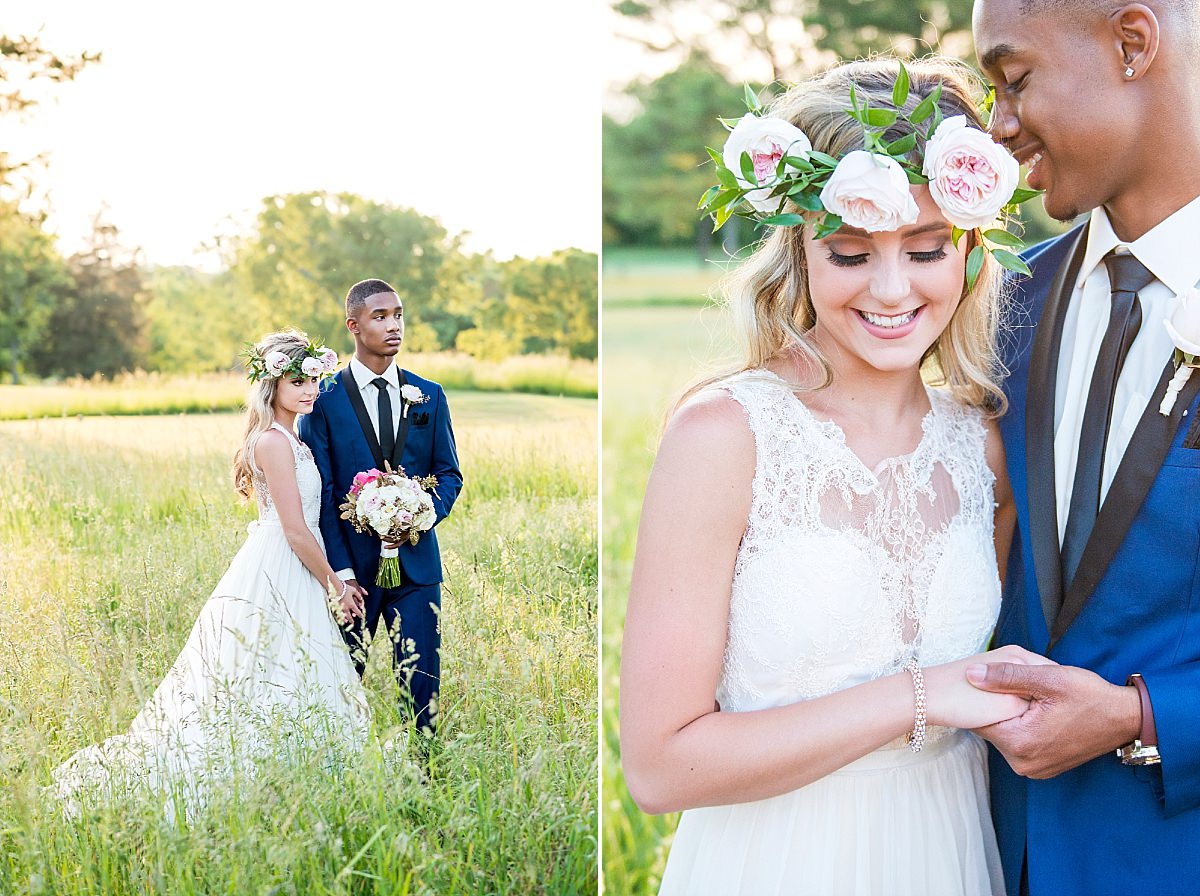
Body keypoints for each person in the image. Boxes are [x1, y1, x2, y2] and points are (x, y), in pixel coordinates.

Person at [620, 57, 1050, 896]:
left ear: (969, 246)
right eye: (850, 253)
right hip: (777, 861)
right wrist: (922, 695)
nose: (892, 290)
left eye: (925, 249)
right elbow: (660, 767)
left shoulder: (981, 446)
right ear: (799, 249)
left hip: (948, 853)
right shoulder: (726, 436)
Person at [970, 2, 1200, 893]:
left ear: (1132, 43)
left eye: (1015, 80)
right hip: (994, 856)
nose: (998, 127)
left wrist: (1139, 716)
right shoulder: (994, 304)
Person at [50, 331, 372, 815]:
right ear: (272, 386)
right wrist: (338, 585)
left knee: (288, 666)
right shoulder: (272, 442)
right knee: (258, 666)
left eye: (314, 381)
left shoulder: (292, 436)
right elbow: (296, 531)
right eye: (297, 382)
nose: (309, 391)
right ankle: (245, 771)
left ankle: (298, 771)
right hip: (279, 563)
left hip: (293, 564)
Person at [299, 279, 462, 747]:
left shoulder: (428, 394)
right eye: (380, 317)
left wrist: (420, 510)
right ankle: (336, 776)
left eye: (399, 315)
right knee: (339, 681)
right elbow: (324, 492)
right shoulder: (324, 398)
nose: (394, 326)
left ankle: (427, 778)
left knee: (422, 687)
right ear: (353, 326)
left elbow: (450, 474)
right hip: (353, 576)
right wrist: (342, 576)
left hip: (417, 569)